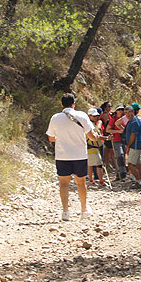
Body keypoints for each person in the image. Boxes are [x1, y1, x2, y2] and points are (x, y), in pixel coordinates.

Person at [46, 93, 98, 221]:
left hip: (62, 155)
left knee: (64, 183)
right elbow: (91, 136)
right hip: (79, 155)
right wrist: (97, 136)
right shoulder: (82, 115)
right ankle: (84, 210)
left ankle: (65, 212)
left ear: (62, 104)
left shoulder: (55, 118)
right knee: (81, 182)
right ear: (74, 104)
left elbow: (51, 138)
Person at [124, 104, 141, 188]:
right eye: (125, 113)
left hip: (135, 145)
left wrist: (128, 146)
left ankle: (139, 181)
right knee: (138, 164)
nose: (127, 115)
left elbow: (133, 135)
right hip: (137, 145)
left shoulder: (135, 122)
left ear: (132, 112)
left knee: (130, 164)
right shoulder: (131, 121)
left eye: (129, 112)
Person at [106, 104, 127, 180]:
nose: (120, 111)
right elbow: (108, 130)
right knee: (119, 156)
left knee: (123, 157)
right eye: (119, 110)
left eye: (122, 109)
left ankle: (119, 175)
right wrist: (118, 131)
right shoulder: (113, 119)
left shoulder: (125, 118)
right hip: (116, 140)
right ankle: (122, 174)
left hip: (124, 140)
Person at [87, 107, 107, 186]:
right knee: (99, 165)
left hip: (90, 148)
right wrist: (107, 138)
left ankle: (91, 180)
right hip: (93, 148)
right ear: (89, 116)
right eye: (94, 116)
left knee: (90, 164)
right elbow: (96, 136)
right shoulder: (90, 125)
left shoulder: (90, 124)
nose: (96, 117)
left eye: (97, 116)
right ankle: (101, 181)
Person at [99, 102, 115, 171]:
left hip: (107, 134)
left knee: (108, 151)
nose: (110, 107)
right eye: (109, 106)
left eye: (111, 106)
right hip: (106, 134)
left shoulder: (108, 114)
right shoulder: (105, 115)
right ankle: (108, 164)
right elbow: (106, 125)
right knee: (109, 150)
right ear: (105, 107)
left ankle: (107, 164)